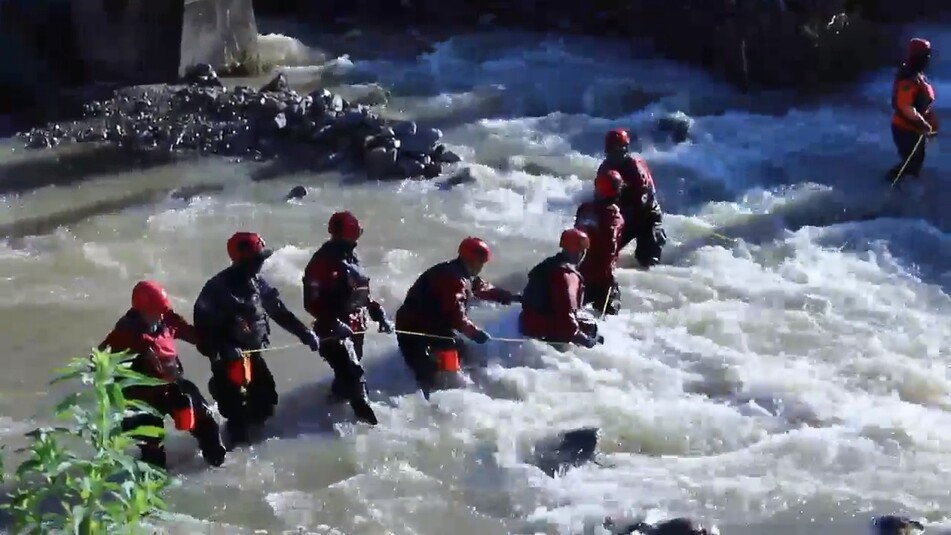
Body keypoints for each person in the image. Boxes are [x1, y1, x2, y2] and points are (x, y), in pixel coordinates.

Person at [193, 232, 320, 445]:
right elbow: (202, 331)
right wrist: (224, 348)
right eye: (256, 260)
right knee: (237, 412)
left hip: (254, 355)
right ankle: (234, 452)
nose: (261, 264)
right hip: (229, 362)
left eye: (262, 259)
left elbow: (278, 311)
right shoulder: (216, 290)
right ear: (241, 260)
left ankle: (257, 444)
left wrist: (304, 332)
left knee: (265, 402)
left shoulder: (257, 283)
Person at [100, 281, 226, 469]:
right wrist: (111, 393)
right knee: (152, 453)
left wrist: (214, 346)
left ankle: (215, 461)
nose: (160, 315)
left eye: (161, 310)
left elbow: (193, 335)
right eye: (155, 311)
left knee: (204, 419)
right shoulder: (126, 333)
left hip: (172, 386)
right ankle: (150, 483)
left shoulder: (166, 318)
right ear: (141, 310)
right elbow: (99, 360)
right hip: (143, 396)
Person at [395, 237, 519, 399]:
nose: (482, 266)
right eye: (481, 262)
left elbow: (482, 288)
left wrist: (509, 297)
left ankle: (467, 391)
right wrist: (474, 332)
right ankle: (430, 404)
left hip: (435, 329)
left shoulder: (461, 272)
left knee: (465, 354)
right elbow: (456, 314)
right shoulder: (454, 279)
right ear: (471, 260)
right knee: (429, 376)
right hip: (414, 331)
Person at [302, 211, 392, 425]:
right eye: (355, 231)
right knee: (354, 374)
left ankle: (325, 415)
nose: (358, 236)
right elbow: (310, 302)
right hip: (332, 332)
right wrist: (333, 323)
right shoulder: (321, 262)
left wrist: (378, 314)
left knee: (345, 381)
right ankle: (370, 426)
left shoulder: (350, 257)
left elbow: (361, 292)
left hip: (355, 328)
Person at [519, 228, 603, 348]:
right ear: (582, 252)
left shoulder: (547, 265)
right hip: (547, 335)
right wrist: (586, 340)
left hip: (527, 327)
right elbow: (566, 316)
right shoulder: (568, 275)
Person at [597, 128, 667, 268]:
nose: (613, 155)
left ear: (625, 149)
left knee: (648, 260)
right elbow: (599, 198)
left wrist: (619, 219)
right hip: (623, 216)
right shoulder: (605, 168)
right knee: (601, 254)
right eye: (610, 151)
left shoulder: (635, 168)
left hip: (647, 216)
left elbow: (642, 200)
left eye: (617, 150)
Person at [575, 169, 625, 316]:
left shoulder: (583, 209)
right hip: (602, 280)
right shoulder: (615, 218)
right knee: (608, 318)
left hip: (578, 273)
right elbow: (609, 251)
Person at [887, 37, 937, 184]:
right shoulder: (908, 78)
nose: (928, 58)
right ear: (917, 56)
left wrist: (929, 123)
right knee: (911, 164)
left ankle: (903, 188)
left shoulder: (917, 74)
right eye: (926, 54)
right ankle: (889, 185)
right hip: (904, 129)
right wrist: (922, 123)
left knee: (915, 163)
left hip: (914, 129)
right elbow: (905, 106)